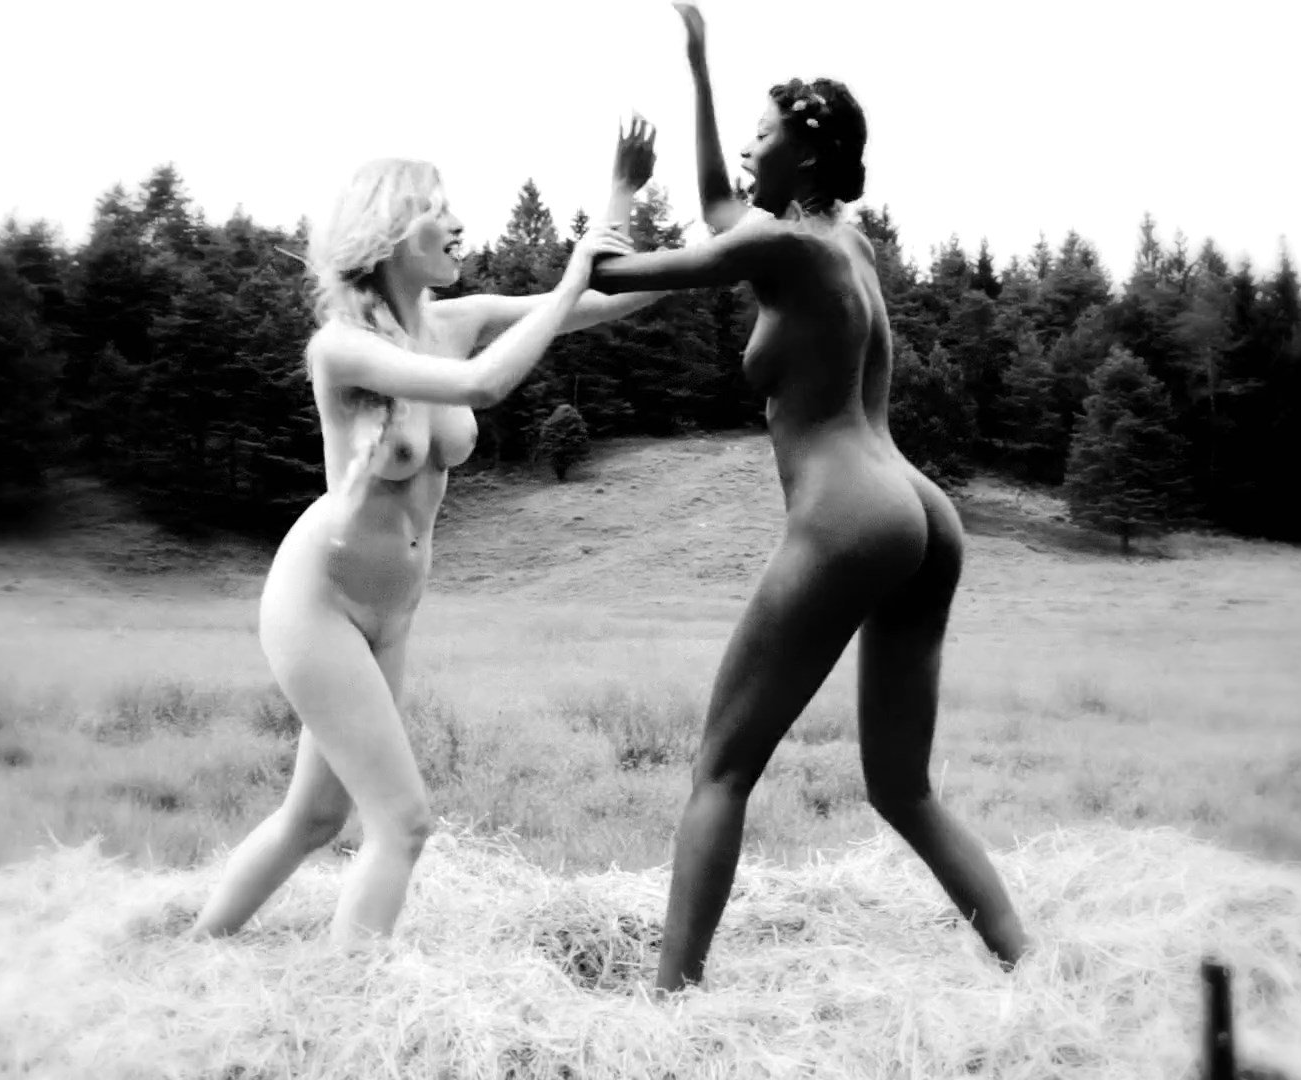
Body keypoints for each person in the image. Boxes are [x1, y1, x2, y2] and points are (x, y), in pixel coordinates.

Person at [584, 5, 1033, 991]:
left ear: (813, 152)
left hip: (849, 515)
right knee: (902, 788)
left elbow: (613, 271)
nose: (749, 148)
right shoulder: (840, 244)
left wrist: (615, 193)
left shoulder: (787, 251)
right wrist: (700, 68)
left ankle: (668, 1006)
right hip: (920, 511)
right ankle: (1030, 965)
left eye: (763, 133)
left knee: (719, 769)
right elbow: (719, 206)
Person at [190, 120, 661, 946]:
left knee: (314, 818)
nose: (457, 224)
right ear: (389, 231)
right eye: (437, 210)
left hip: (392, 609)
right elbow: (481, 386)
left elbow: (607, 300)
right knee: (402, 824)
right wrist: (571, 271)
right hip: (321, 599)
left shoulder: (455, 319)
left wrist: (688, 227)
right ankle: (350, 1002)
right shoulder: (342, 349)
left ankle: (197, 951)